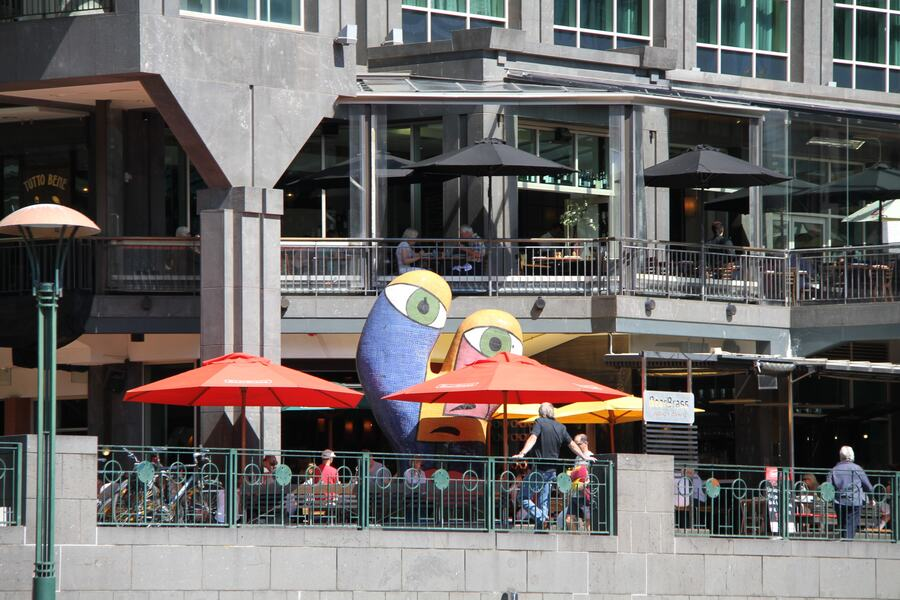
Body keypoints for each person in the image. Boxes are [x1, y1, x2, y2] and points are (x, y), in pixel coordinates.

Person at [512, 402, 595, 531]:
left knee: (522, 497)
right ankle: (541, 530)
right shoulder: (560, 427)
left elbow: (533, 438)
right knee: (543, 501)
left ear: (542, 413)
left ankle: (542, 518)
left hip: (539, 470)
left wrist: (522, 453)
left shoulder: (539, 422)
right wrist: (584, 457)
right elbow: (572, 444)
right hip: (552, 472)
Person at [827, 445, 874, 540]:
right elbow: (869, 487)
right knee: (851, 525)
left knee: (842, 524)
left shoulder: (833, 470)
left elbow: (828, 487)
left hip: (839, 501)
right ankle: (847, 544)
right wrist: (871, 498)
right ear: (852, 456)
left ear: (840, 456)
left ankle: (844, 541)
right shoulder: (858, 469)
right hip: (855, 501)